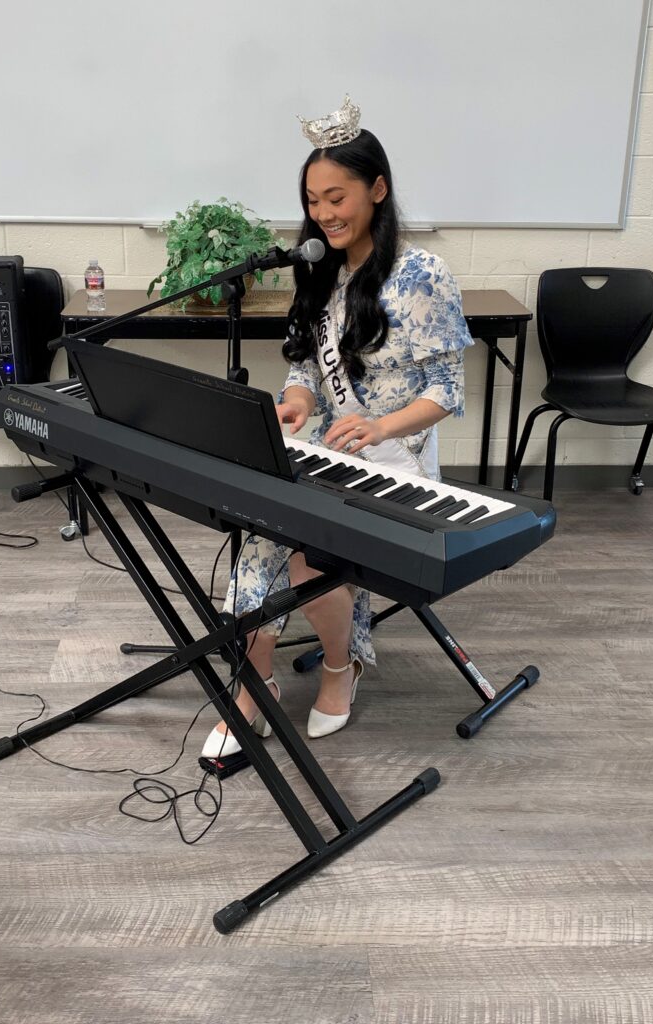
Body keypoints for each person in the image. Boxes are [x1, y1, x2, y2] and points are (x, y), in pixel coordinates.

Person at [201, 96, 473, 758]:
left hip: (394, 454)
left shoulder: (423, 275)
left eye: (337, 197)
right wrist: (295, 399)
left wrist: (379, 427)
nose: (323, 213)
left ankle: (338, 666)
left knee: (306, 553)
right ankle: (252, 685)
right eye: (313, 200)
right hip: (321, 441)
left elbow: (447, 390)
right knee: (257, 534)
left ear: (377, 189)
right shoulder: (315, 265)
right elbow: (302, 363)